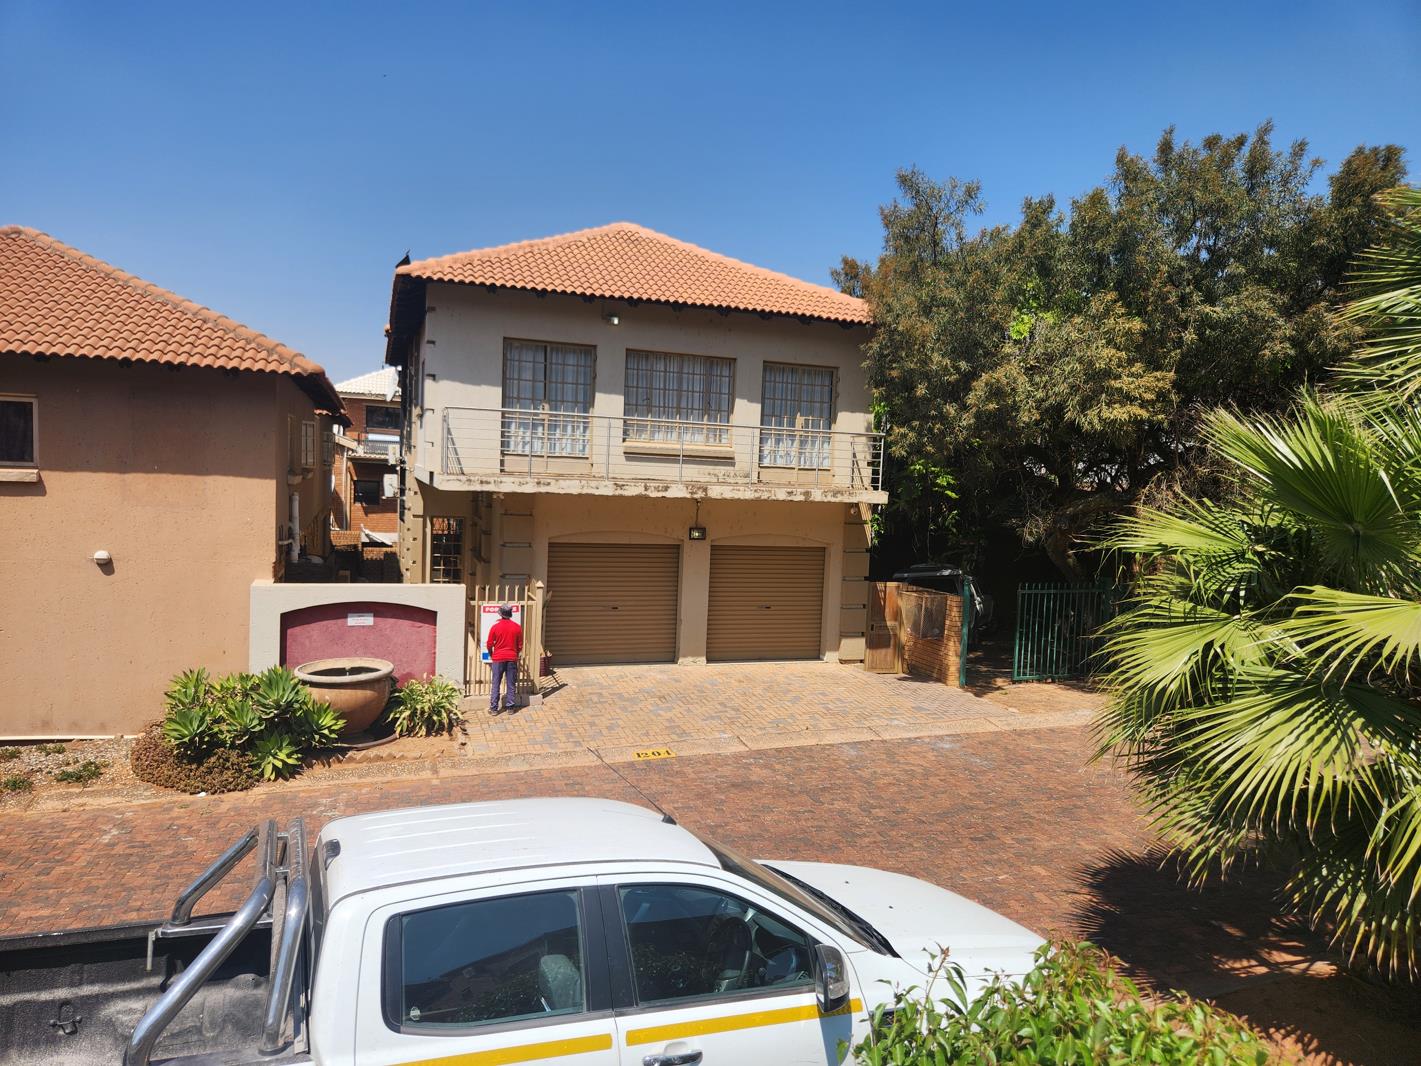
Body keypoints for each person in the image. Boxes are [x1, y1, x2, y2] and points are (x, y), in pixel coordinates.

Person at [486, 605, 523, 714]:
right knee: (511, 683)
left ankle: (494, 709)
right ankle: (510, 708)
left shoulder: (495, 627)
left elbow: (489, 644)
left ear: (501, 614)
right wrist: (515, 654)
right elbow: (520, 645)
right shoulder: (517, 627)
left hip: (498, 658)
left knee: (496, 683)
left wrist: (492, 654)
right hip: (512, 658)